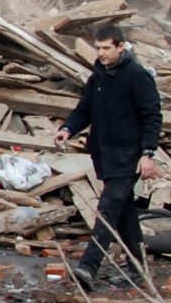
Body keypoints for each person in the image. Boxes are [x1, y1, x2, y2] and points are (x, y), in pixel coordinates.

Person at [56, 26, 163, 288]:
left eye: (106, 48)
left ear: (121, 47)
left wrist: (148, 153)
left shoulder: (137, 76)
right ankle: (140, 271)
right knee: (124, 213)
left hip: (127, 157)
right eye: (98, 48)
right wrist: (67, 128)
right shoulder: (99, 77)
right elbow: (85, 109)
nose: (101, 53)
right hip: (104, 155)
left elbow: (152, 116)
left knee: (107, 210)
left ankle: (88, 268)